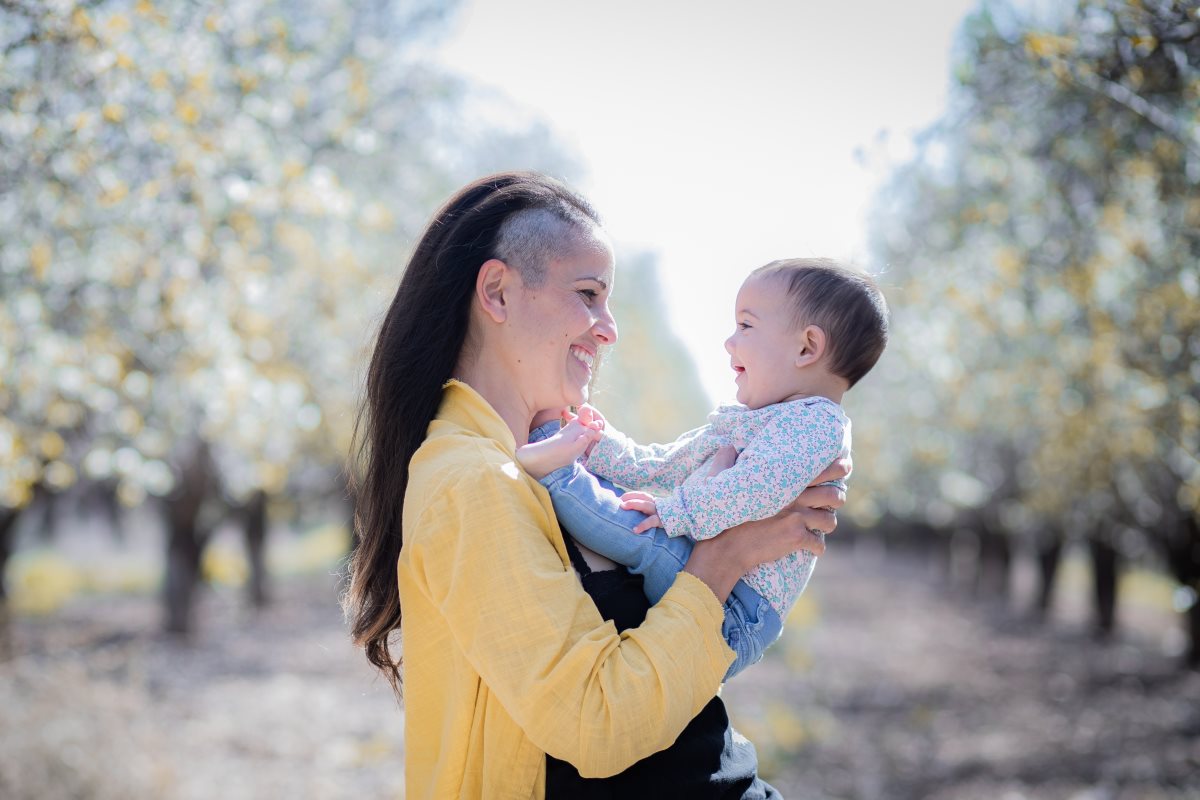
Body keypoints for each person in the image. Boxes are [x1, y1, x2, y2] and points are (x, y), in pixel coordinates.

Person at [342, 172, 849, 798]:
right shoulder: (470, 481)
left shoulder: (544, 462)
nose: (608, 328)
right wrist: (723, 560)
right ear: (497, 292)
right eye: (588, 294)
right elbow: (596, 722)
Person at [517, 259, 889, 680]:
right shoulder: (754, 421)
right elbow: (661, 464)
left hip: (735, 609)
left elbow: (758, 488)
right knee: (636, 515)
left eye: (746, 326)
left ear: (806, 348)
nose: (730, 343)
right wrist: (596, 441)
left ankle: (553, 471)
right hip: (710, 575)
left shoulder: (816, 424)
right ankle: (561, 446)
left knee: (642, 534)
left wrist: (677, 512)